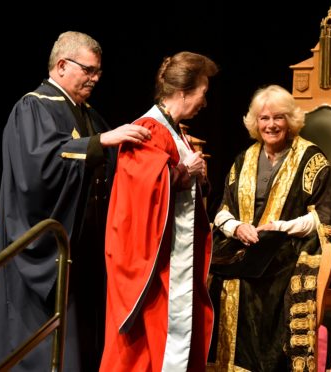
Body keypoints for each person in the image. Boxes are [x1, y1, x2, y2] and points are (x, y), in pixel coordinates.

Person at [0, 31, 151, 371]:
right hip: (49, 246)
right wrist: (99, 143)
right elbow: (39, 165)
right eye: (88, 70)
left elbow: (112, 161)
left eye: (98, 72)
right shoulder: (33, 107)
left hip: (85, 250)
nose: (95, 78)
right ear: (62, 65)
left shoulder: (87, 113)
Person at [99, 51, 218, 371]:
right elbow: (142, 188)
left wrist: (197, 177)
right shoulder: (148, 128)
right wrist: (184, 172)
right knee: (145, 350)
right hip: (153, 265)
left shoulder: (177, 131)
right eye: (202, 93)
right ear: (183, 92)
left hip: (173, 260)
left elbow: (180, 180)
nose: (204, 102)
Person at [206, 84, 331, 371]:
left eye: (279, 117)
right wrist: (238, 228)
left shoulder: (312, 160)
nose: (271, 125)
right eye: (264, 118)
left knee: (271, 287)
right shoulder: (244, 159)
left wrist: (282, 227)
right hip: (245, 249)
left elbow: (321, 219)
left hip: (286, 249)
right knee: (222, 278)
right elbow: (222, 212)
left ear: (290, 120)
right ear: (255, 122)